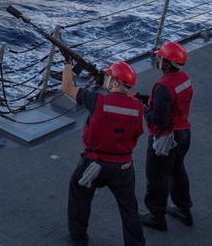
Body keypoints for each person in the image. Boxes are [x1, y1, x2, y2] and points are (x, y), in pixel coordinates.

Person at [62, 61, 146, 246]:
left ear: (115, 83)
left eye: (109, 77)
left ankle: (78, 239)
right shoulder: (138, 107)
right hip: (123, 167)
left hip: (93, 164)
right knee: (129, 209)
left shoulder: (97, 101)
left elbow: (67, 87)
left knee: (79, 196)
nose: (106, 78)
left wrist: (68, 63)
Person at [139, 40, 193, 231]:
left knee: (157, 176)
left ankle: (156, 216)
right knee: (177, 171)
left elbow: (159, 120)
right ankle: (184, 210)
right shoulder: (184, 77)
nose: (157, 59)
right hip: (183, 133)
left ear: (167, 64)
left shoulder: (162, 86)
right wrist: (145, 99)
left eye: (160, 57)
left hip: (166, 139)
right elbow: (171, 104)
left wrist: (142, 108)